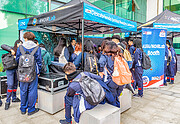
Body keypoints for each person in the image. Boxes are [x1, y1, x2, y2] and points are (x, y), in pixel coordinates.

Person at [16, 32, 42, 115]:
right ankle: (31, 109)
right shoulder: (37, 48)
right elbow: (39, 61)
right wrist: (39, 71)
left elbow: (17, 60)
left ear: (25, 38)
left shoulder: (20, 47)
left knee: (23, 90)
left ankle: (23, 109)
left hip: (22, 73)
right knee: (32, 91)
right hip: (33, 73)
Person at [98, 41, 124, 108]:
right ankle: (117, 111)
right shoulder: (119, 55)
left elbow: (100, 63)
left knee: (111, 100)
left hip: (111, 81)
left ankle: (115, 114)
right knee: (116, 97)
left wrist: (100, 71)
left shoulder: (105, 56)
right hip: (121, 80)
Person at [1, 40, 22, 110]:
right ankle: (7, 101)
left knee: (15, 84)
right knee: (10, 84)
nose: (21, 45)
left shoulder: (21, 51)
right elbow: (2, 45)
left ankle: (14, 98)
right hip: (9, 69)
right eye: (20, 44)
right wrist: (11, 50)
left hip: (16, 69)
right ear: (17, 44)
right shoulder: (12, 48)